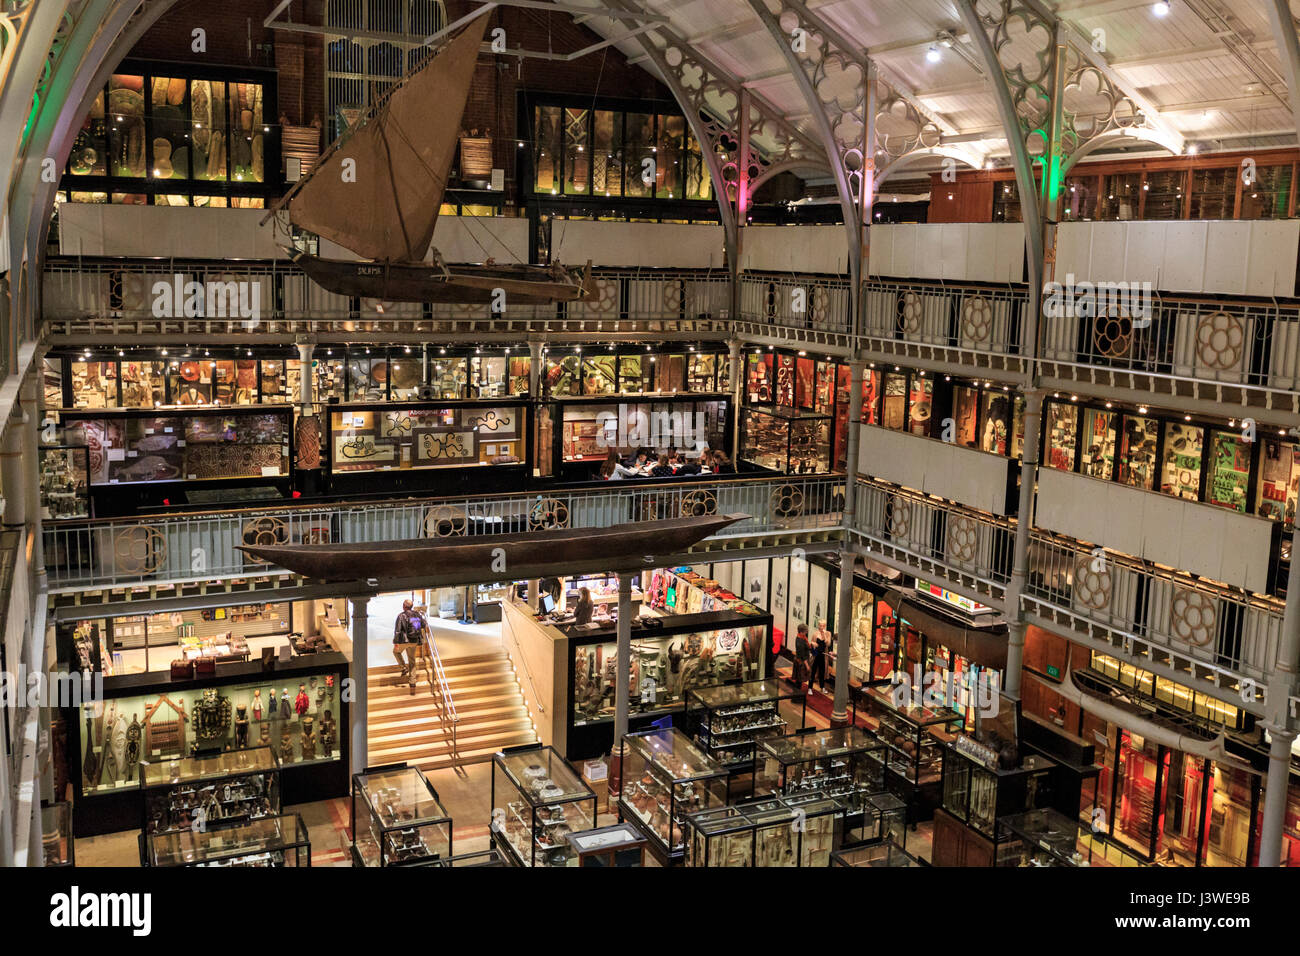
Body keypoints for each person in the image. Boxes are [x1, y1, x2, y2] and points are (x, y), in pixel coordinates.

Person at [393, 599, 426, 689]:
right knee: (412, 660)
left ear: (404, 606)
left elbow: (398, 631)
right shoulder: (417, 614)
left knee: (396, 652)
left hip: (404, 641)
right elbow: (424, 624)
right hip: (414, 641)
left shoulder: (401, 616)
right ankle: (412, 681)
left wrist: (396, 642)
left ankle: (403, 668)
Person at [809, 619, 829, 692]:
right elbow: (811, 644)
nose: (822, 627)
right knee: (813, 671)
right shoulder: (815, 634)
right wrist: (813, 644)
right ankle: (810, 688)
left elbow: (828, 644)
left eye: (823, 626)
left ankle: (822, 687)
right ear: (818, 626)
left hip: (823, 656)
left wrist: (824, 635)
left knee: (822, 672)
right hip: (816, 655)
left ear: (825, 626)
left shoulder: (828, 633)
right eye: (820, 626)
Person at [793, 623, 811, 689]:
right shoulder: (800, 642)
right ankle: (797, 694)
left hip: (800, 660)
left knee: (799, 679)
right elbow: (803, 655)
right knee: (799, 679)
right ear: (801, 632)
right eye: (806, 631)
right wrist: (807, 666)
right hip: (801, 662)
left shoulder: (801, 638)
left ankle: (796, 692)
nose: (807, 632)